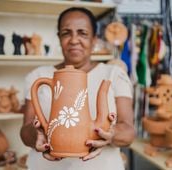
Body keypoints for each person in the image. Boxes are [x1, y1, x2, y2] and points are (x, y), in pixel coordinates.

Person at [20, 7, 135, 170]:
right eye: (66, 33)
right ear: (59, 37)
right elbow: (25, 130)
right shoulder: (38, 75)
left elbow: (129, 131)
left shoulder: (113, 75)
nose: (74, 40)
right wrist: (36, 134)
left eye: (82, 33)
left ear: (94, 39)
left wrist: (110, 134)